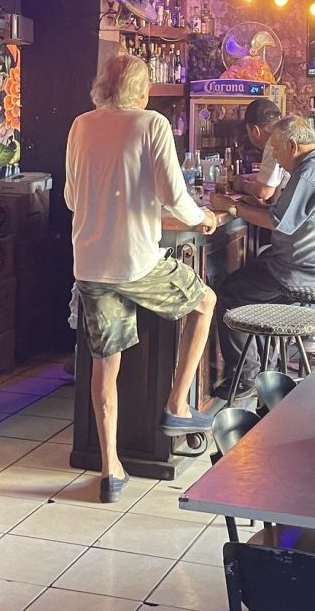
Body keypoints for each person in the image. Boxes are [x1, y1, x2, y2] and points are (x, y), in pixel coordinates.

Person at [65, 55, 218, 503]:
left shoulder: (80, 125)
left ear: (101, 87)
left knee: (104, 363)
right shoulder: (151, 123)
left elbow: (74, 198)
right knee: (204, 301)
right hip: (137, 262)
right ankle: (177, 405)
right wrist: (204, 217)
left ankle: (110, 468)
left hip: (90, 263)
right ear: (143, 90)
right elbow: (175, 197)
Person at [209, 115, 315, 397]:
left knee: (231, 292)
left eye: (276, 150)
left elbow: (279, 222)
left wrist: (233, 208)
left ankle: (248, 377)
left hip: (307, 272)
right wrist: (256, 206)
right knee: (254, 270)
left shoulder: (310, 173)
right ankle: (269, 367)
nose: (274, 156)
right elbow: (290, 214)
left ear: (292, 146)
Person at [242, 97, 285, 202]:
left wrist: (241, 185)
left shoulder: (273, 143)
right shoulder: (286, 134)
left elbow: (264, 192)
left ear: (255, 131)